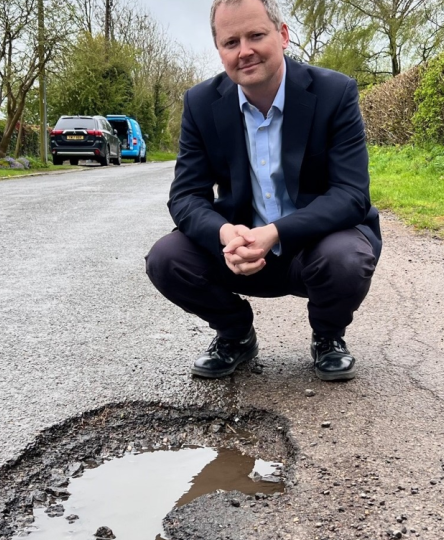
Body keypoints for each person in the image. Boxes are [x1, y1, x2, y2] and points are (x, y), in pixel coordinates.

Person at [145, 0, 382, 381]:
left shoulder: (335, 93)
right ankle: (235, 335)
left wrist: (275, 233)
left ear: (283, 35)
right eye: (231, 42)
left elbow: (352, 195)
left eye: (256, 35)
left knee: (347, 257)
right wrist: (226, 234)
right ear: (219, 50)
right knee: (166, 258)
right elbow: (185, 197)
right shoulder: (201, 104)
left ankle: (327, 336)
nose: (245, 51)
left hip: (313, 249)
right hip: (239, 252)